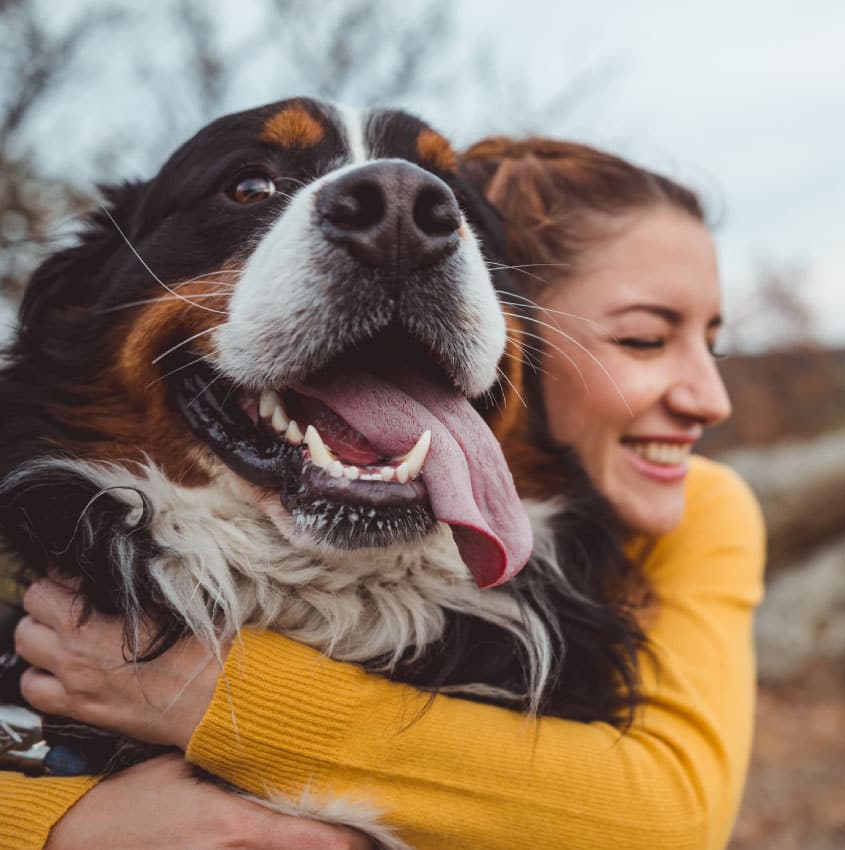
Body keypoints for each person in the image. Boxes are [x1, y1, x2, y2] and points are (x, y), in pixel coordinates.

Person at [1, 138, 766, 850]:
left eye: (714, 340)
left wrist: (209, 696)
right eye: (643, 339)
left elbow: (671, 814)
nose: (713, 398)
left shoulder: (704, 507)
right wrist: (57, 816)